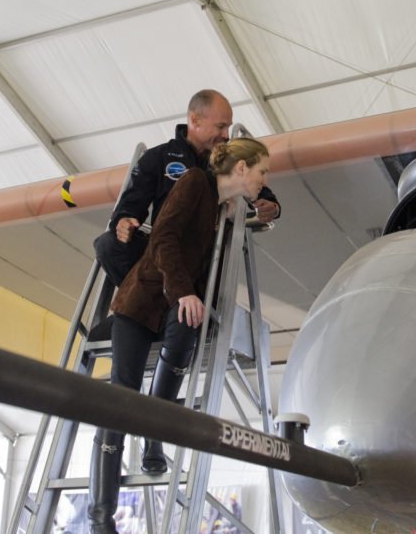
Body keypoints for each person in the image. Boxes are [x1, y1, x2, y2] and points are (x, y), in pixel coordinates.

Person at [88, 138, 271, 534]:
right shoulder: (192, 182)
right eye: (262, 171)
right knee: (121, 394)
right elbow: (164, 238)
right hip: (141, 301)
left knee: (188, 324)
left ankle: (155, 438)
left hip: (170, 303)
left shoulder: (221, 205)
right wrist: (183, 290)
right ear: (241, 169)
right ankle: (100, 517)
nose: (264, 179)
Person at [93, 89, 280, 287]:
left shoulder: (233, 159)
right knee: (107, 245)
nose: (226, 135)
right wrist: (124, 222)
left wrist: (271, 206)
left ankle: (161, 300)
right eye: (220, 126)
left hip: (203, 256)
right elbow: (129, 206)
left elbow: (259, 189)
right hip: (164, 250)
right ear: (195, 120)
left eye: (228, 127)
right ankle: (155, 299)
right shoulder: (157, 158)